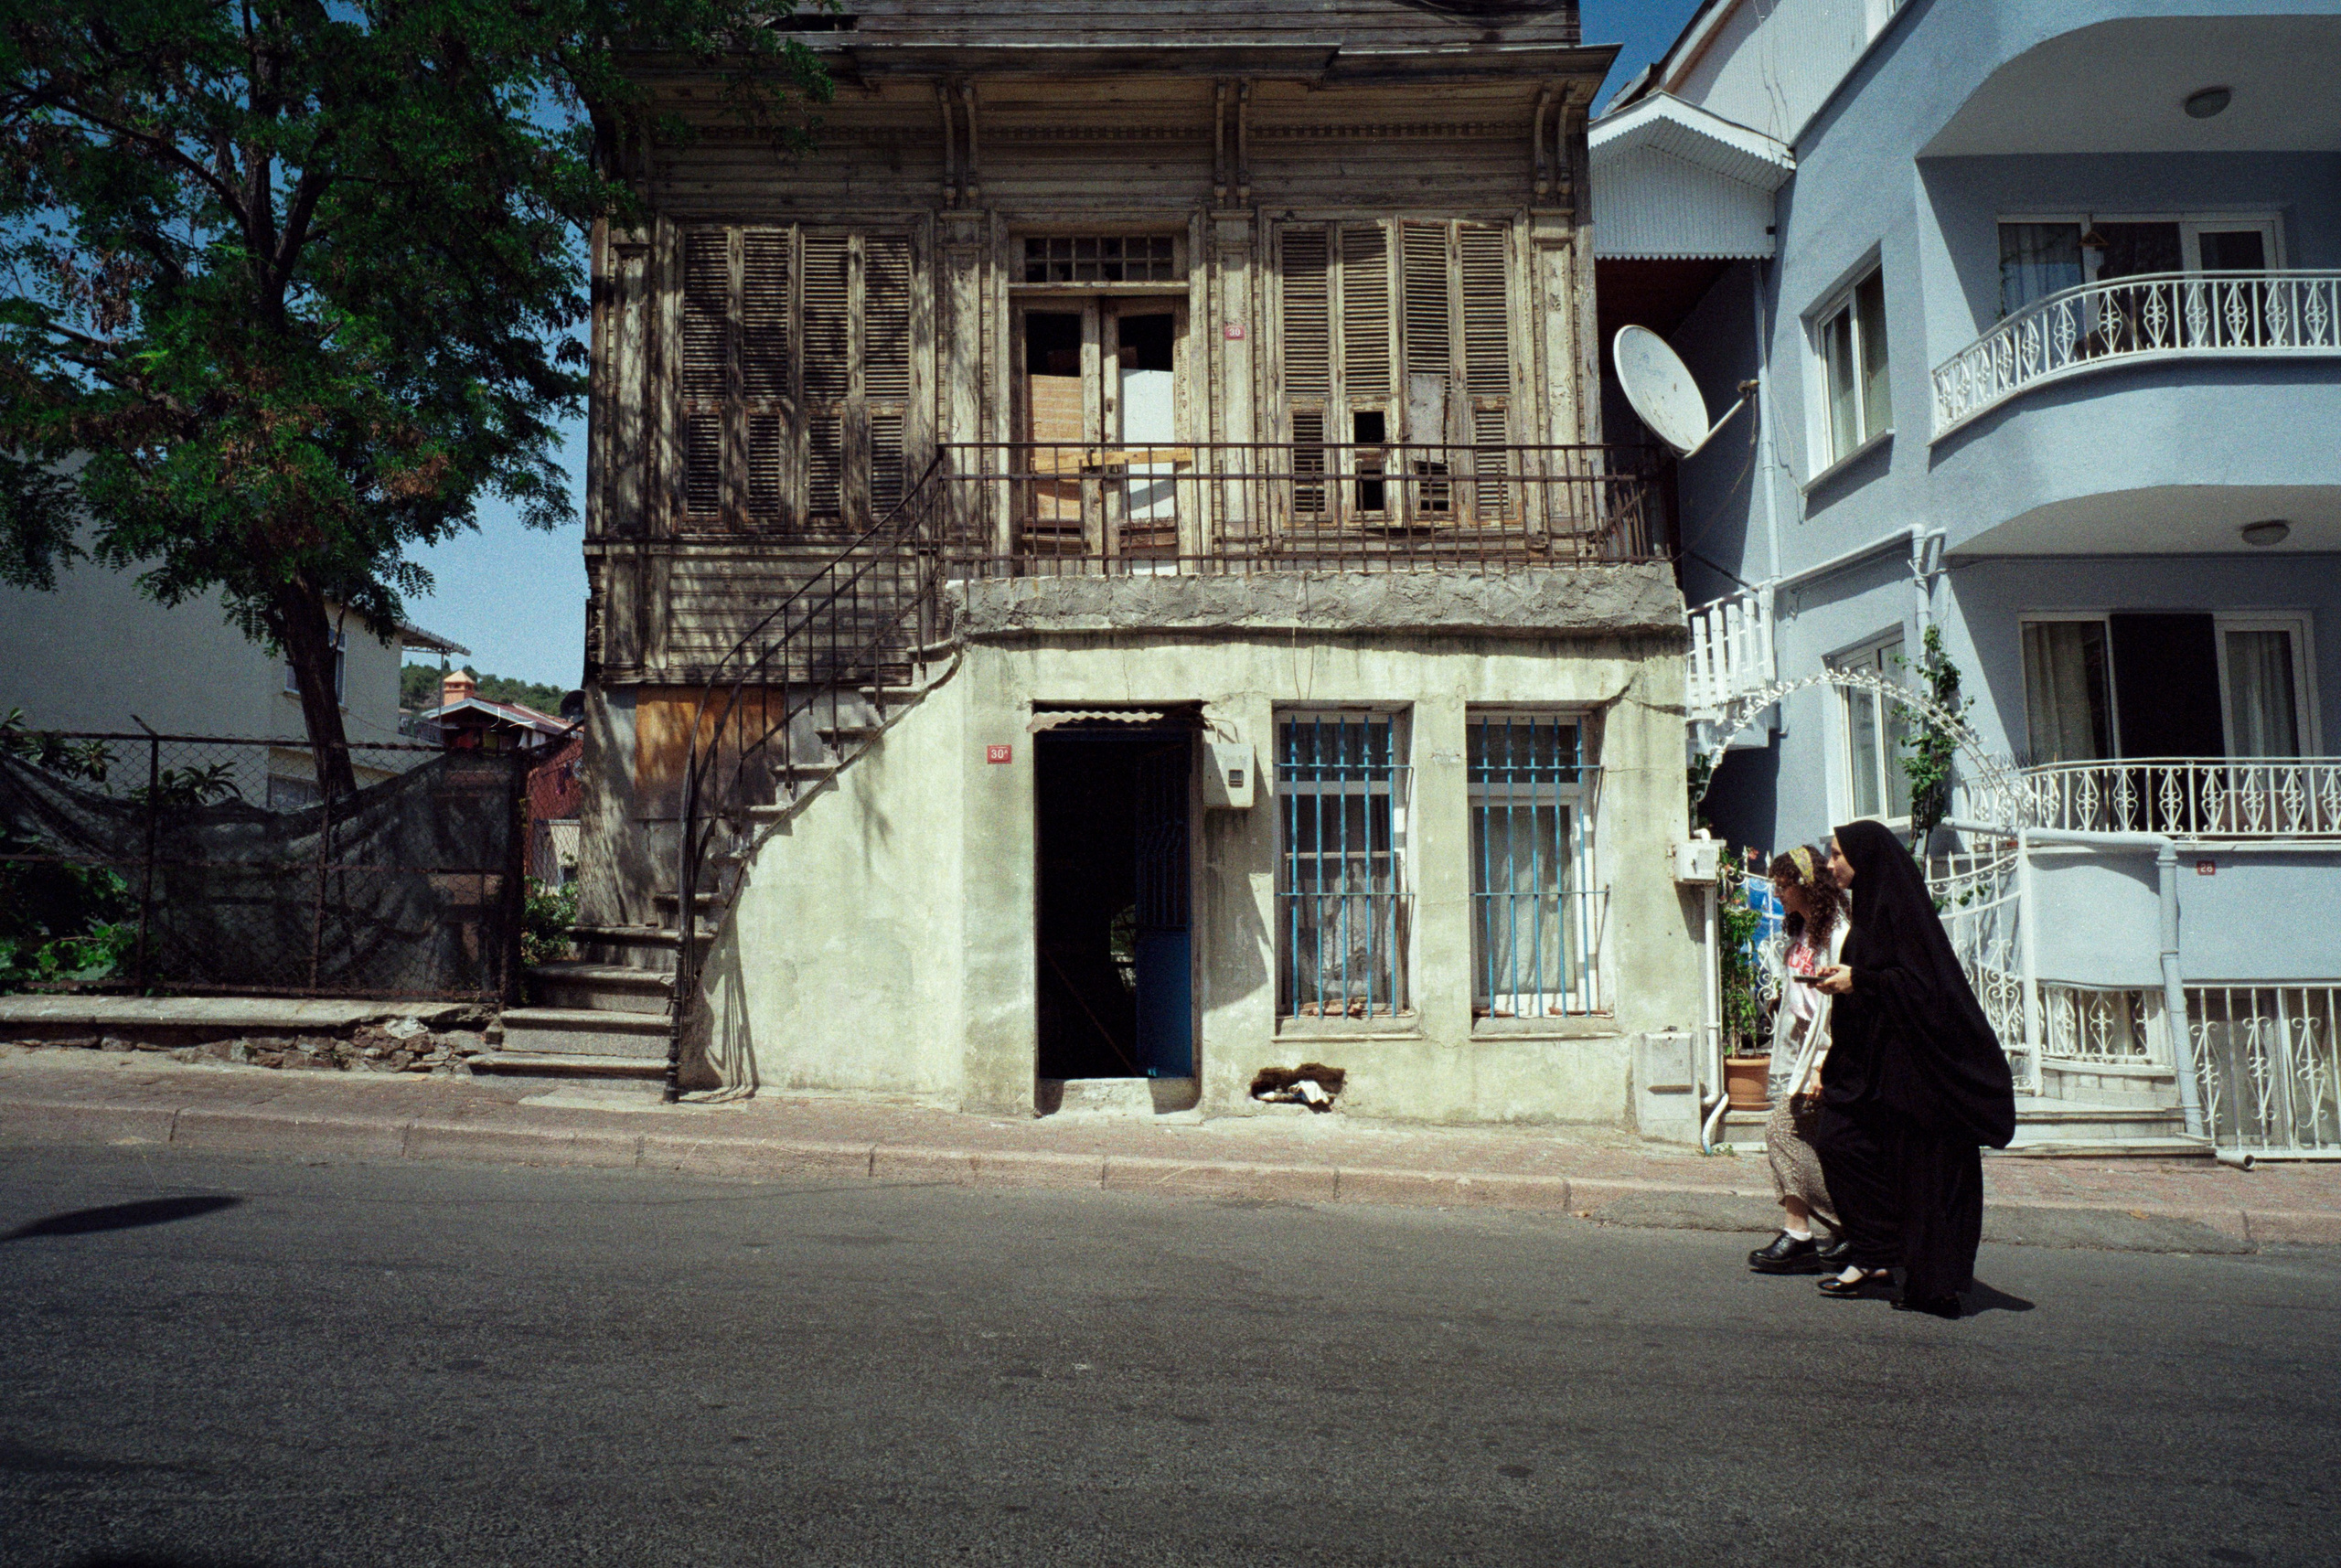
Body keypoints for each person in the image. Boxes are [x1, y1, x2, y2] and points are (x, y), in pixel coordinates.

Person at [1807, 820, 2017, 1318]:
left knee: (1926, 1180)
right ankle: (1877, 1252)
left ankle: (1934, 1287)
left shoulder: (1904, 917)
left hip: (1919, 1080)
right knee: (1838, 1140)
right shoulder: (1867, 918)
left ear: (1864, 858)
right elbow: (1872, 989)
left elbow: (1925, 989)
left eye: (1837, 854)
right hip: (1874, 1075)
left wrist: (1861, 980)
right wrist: (1848, 984)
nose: (1830, 864)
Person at [1746, 845, 1851, 1275]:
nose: (1777, 893)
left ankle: (1822, 1231)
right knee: (1808, 1143)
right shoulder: (1804, 932)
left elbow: (1842, 1007)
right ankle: (1831, 1231)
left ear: (1807, 885)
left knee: (1781, 1132)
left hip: (1829, 1055)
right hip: (1806, 1053)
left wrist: (1826, 1063)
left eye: (1784, 885)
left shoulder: (1839, 935)